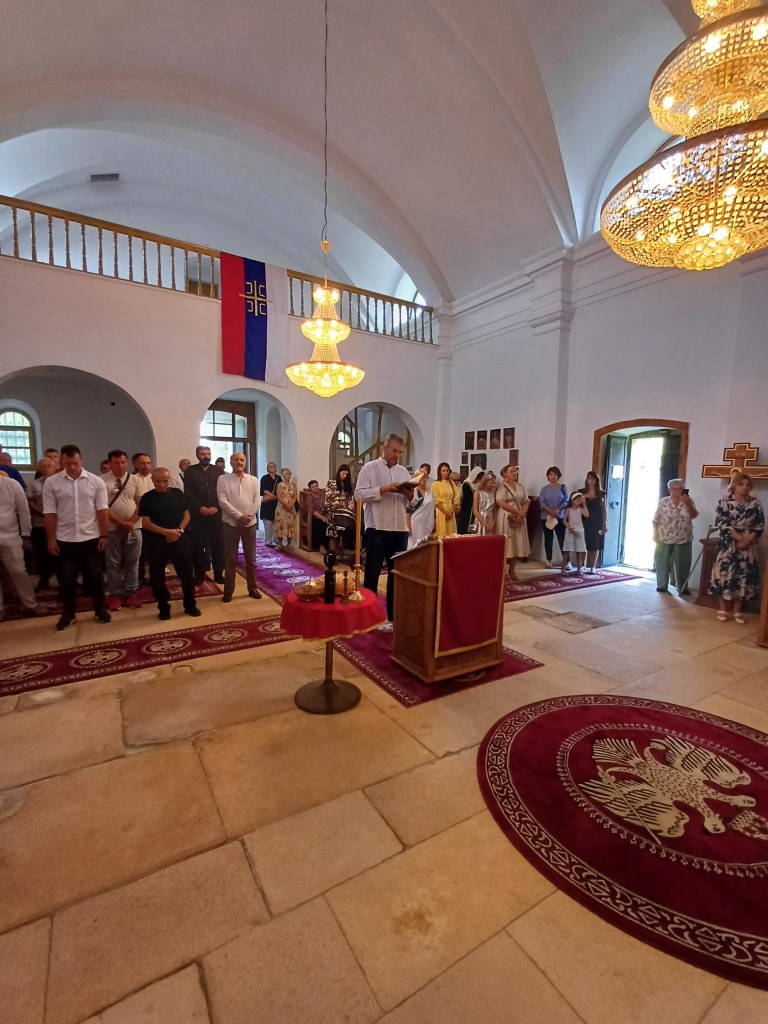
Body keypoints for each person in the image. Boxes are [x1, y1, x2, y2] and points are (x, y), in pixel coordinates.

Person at [43, 443, 111, 630]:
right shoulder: (52, 482)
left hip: (91, 537)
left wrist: (104, 534)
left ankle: (100, 609)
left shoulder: (95, 481)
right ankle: (68, 613)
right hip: (65, 539)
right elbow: (49, 513)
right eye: (68, 463)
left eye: (75, 463)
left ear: (81, 460)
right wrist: (51, 539)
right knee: (67, 580)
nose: (72, 467)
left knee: (95, 577)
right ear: (61, 461)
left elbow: (102, 510)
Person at [354, 433, 414, 627]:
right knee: (372, 574)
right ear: (385, 448)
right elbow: (358, 495)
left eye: (400, 452)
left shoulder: (403, 472)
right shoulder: (369, 468)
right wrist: (383, 489)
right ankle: (367, 617)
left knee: (396, 575)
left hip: (399, 528)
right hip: (377, 528)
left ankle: (393, 617)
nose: (397, 455)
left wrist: (410, 495)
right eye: (394, 451)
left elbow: (413, 501)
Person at [138, 468, 200, 620]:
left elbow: (186, 515)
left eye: (165, 481)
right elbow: (145, 522)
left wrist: (178, 531)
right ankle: (163, 607)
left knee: (186, 573)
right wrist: (166, 533)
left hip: (179, 537)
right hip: (157, 541)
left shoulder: (177, 494)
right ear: (152, 480)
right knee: (157, 576)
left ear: (169, 479)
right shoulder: (147, 497)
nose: (162, 484)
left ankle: (190, 604)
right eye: (158, 481)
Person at [709, 472, 764, 624]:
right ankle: (723, 608)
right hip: (729, 543)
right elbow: (722, 523)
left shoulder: (755, 503)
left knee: (743, 576)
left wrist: (749, 539)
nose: (745, 487)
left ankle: (737, 610)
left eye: (747, 485)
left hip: (749, 545)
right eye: (741, 484)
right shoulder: (725, 502)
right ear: (734, 485)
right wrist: (739, 539)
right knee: (725, 574)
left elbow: (759, 524)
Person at [217, 452, 261, 602]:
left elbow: (257, 500)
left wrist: (248, 516)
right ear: (231, 462)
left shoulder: (253, 480)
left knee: (251, 559)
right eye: (236, 460)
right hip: (230, 523)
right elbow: (223, 501)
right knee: (230, 559)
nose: (239, 462)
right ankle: (228, 591)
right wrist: (238, 516)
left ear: (245, 462)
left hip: (250, 523)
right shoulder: (223, 479)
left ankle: (252, 589)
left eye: (242, 460)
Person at [102, 448, 143, 610]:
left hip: (134, 527)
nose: (120, 466)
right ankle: (115, 594)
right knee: (113, 563)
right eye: (116, 463)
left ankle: (131, 592)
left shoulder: (135, 480)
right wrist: (119, 522)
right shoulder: (102, 480)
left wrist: (131, 522)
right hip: (112, 528)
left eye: (123, 462)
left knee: (133, 562)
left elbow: (142, 504)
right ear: (110, 463)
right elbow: (102, 506)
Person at [0, 474, 44, 620]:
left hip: (10, 536)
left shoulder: (12, 484)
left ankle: (31, 604)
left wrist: (26, 535)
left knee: (18, 571)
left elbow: (24, 511)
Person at [184, 445, 225, 583]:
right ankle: (200, 574)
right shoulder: (190, 471)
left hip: (216, 514)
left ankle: (218, 573)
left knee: (218, 545)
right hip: (198, 515)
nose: (206, 456)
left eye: (208, 453)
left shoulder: (218, 471)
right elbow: (188, 492)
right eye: (203, 454)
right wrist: (199, 507)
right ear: (197, 455)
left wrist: (217, 507)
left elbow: (223, 491)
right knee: (197, 545)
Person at [652, 479, 699, 594]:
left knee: (683, 564)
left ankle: (682, 587)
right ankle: (662, 585)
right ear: (670, 490)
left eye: (681, 488)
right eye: (675, 489)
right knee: (662, 562)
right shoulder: (663, 501)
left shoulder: (689, 500)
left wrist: (687, 503)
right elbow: (656, 518)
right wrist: (655, 534)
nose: (678, 491)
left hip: (683, 537)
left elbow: (694, 515)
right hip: (664, 536)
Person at [26, 456, 57, 589]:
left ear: (55, 467)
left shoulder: (60, 482)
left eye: (49, 466)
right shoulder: (34, 484)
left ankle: (64, 580)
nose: (46, 468)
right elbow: (29, 502)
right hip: (40, 523)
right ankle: (44, 579)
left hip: (58, 524)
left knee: (60, 554)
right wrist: (43, 512)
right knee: (42, 553)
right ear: (38, 468)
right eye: (43, 466)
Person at [496, 464, 530, 578]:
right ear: (505, 473)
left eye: (515, 471)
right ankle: (503, 571)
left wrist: (523, 512)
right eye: (511, 471)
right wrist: (517, 511)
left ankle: (512, 570)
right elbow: (500, 502)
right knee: (507, 544)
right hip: (506, 515)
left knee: (516, 543)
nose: (514, 473)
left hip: (519, 516)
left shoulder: (520, 486)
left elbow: (526, 500)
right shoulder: (502, 486)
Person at [539, 467, 568, 567]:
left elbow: (566, 501)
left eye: (555, 475)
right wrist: (550, 512)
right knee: (548, 539)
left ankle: (566, 561)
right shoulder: (544, 489)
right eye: (551, 474)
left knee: (562, 539)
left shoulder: (563, 487)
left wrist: (557, 510)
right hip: (546, 517)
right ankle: (548, 560)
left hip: (560, 517)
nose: (553, 477)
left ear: (558, 476)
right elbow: (542, 503)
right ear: (547, 476)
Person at [325, 464, 355, 559]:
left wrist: (348, 510)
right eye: (343, 473)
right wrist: (331, 511)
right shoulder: (331, 483)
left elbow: (350, 501)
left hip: (345, 514)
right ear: (339, 473)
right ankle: (332, 555)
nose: (345, 476)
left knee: (346, 531)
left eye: (347, 474)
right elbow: (328, 498)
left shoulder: (348, 486)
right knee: (333, 534)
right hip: (333, 514)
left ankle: (341, 553)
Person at [582, 471, 608, 573]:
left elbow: (604, 510)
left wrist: (604, 523)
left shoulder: (602, 493)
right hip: (585, 520)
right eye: (589, 478)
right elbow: (576, 504)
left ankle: (593, 567)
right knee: (584, 544)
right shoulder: (582, 492)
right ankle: (583, 565)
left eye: (593, 478)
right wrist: (585, 497)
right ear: (587, 480)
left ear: (597, 480)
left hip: (597, 521)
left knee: (595, 544)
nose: (591, 480)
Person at [406, 468, 434, 548]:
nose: (423, 479)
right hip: (415, 524)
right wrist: (408, 527)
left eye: (424, 477)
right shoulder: (412, 493)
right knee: (414, 545)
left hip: (427, 523)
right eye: (420, 477)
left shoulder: (430, 493)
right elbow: (407, 510)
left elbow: (432, 510)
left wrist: (434, 524)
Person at [562, 491, 589, 573]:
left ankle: (579, 568)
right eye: (577, 500)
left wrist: (584, 504)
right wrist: (568, 526)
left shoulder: (580, 509)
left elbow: (587, 515)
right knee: (566, 550)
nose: (579, 502)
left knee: (579, 550)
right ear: (572, 500)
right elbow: (564, 520)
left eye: (580, 500)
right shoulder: (569, 510)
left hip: (579, 530)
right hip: (570, 530)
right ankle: (563, 568)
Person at [432, 462, 461, 537]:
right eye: (443, 471)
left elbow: (457, 496)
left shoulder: (451, 483)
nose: (445, 473)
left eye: (447, 471)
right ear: (439, 471)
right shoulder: (435, 484)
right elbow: (436, 500)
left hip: (451, 511)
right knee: (441, 533)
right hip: (441, 511)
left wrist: (452, 511)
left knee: (451, 534)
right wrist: (445, 513)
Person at [274, 467, 299, 550]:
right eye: (287, 474)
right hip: (282, 508)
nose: (288, 475)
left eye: (289, 474)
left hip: (291, 507)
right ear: (283, 475)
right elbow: (279, 496)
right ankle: (280, 543)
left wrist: (291, 505)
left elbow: (295, 496)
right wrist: (286, 505)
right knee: (280, 524)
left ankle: (289, 543)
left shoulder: (293, 485)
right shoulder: (280, 485)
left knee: (290, 525)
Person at [259, 461, 282, 548]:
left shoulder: (279, 478)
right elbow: (263, 490)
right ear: (267, 469)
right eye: (270, 466)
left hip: (277, 503)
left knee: (277, 523)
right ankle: (268, 542)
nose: (272, 468)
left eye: (274, 466)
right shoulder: (264, 478)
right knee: (268, 523)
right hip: (268, 503)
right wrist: (272, 496)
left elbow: (281, 488)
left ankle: (276, 541)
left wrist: (277, 497)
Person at [457, 465, 484, 534]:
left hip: (475, 509)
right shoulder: (467, 484)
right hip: (467, 510)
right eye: (478, 477)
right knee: (465, 529)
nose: (478, 479)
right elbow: (468, 499)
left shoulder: (478, 484)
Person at [472, 470, 497, 535]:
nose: (493, 485)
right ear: (485, 482)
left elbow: (494, 510)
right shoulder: (478, 493)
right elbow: (475, 511)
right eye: (491, 483)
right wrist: (485, 524)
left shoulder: (492, 493)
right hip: (481, 519)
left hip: (490, 519)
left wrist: (493, 523)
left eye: (494, 483)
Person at [307, 479, 328, 551]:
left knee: (330, 524)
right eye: (313, 487)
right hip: (314, 517)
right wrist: (322, 518)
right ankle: (320, 545)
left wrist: (327, 516)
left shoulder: (323, 494)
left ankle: (328, 546)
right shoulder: (309, 496)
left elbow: (327, 504)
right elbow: (312, 511)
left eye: (316, 486)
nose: (315, 488)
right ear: (310, 488)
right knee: (319, 525)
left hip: (324, 514)